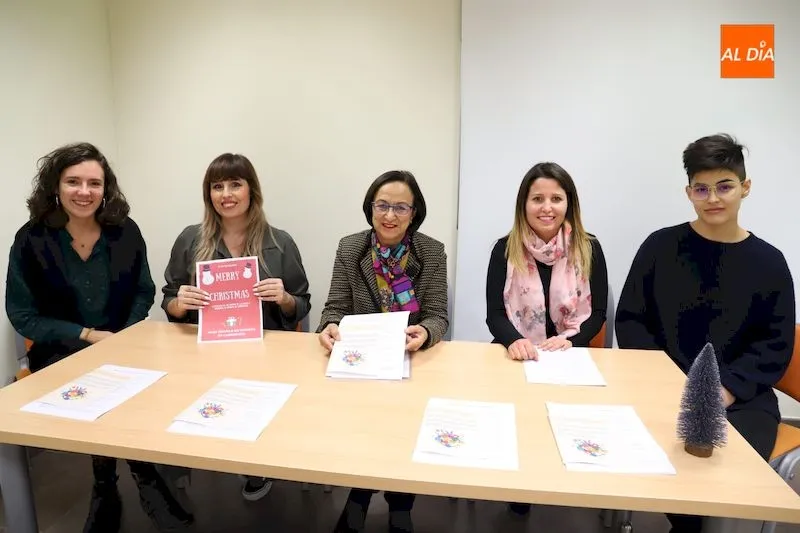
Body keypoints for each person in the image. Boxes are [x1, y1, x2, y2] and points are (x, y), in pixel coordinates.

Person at [5, 142, 194, 533]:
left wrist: (122, 337)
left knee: (137, 384)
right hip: (61, 353)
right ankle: (135, 479)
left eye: (94, 182)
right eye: (73, 181)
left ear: (106, 188)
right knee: (102, 395)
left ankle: (114, 484)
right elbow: (22, 315)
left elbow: (145, 290)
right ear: (55, 187)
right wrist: (88, 335)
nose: (84, 191)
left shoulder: (124, 231)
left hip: (125, 344)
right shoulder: (31, 239)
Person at [615, 134, 796, 533]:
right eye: (702, 188)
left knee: (715, 469)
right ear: (689, 192)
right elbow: (630, 321)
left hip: (740, 398)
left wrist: (724, 389)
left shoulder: (769, 263)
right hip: (662, 388)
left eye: (725, 186)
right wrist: (669, 381)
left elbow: (775, 344)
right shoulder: (660, 247)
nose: (713, 198)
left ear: (745, 188)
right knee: (642, 454)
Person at [162, 152, 311, 503]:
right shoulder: (190, 239)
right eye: (217, 186)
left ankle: (256, 464)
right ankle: (183, 458)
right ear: (208, 194)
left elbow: (302, 302)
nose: (226, 194)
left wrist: (284, 298)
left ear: (251, 191)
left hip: (265, 354)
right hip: (205, 350)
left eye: (235, 184)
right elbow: (169, 300)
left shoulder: (280, 242)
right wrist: (179, 303)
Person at [317, 170, 449, 533]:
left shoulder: (432, 252)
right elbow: (334, 309)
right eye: (382, 205)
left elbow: (438, 315)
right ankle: (359, 495)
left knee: (405, 429)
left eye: (400, 207)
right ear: (370, 208)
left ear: (414, 212)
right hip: (363, 361)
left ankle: (401, 503)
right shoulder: (350, 248)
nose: (389, 216)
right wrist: (328, 327)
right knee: (367, 429)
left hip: (412, 358)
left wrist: (425, 331)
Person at [485, 161, 608, 514]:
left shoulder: (589, 247)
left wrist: (573, 340)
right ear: (524, 204)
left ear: (569, 204)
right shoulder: (504, 249)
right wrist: (514, 340)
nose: (547, 207)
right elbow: (495, 314)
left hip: (569, 350)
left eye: (556, 198)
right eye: (537, 198)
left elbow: (597, 314)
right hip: (519, 351)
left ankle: (562, 481)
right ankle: (521, 485)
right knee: (516, 419)